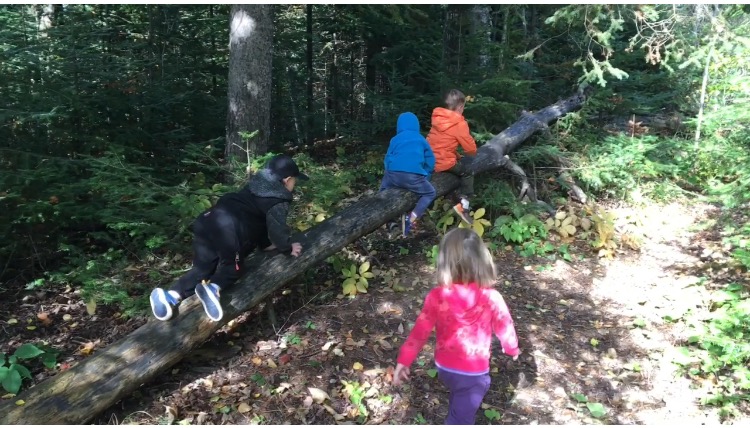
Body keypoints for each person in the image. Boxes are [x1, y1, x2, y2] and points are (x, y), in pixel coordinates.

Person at [149, 154, 307, 322]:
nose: (294, 184)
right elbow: (277, 228)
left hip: (207, 220)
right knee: (234, 268)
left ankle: (170, 296)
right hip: (228, 229)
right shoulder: (278, 199)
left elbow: (260, 221)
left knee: (202, 268)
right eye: (294, 181)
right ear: (287, 180)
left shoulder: (256, 185)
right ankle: (213, 289)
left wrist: (266, 244)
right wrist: (287, 248)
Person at [392, 227, 520, 425]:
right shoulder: (492, 297)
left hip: (445, 368)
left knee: (458, 399)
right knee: (460, 420)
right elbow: (505, 325)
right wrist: (511, 348)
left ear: (444, 263)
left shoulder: (437, 296)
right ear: (482, 261)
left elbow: (420, 332)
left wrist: (404, 361)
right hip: (473, 374)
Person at [380, 111, 436, 237]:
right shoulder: (421, 139)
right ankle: (411, 218)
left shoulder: (395, 139)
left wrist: (389, 172)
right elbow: (430, 160)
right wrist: (427, 175)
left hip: (393, 174)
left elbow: (388, 158)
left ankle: (390, 222)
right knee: (430, 193)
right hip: (413, 176)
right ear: (416, 125)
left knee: (382, 192)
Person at [426, 89, 478, 226]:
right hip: (444, 163)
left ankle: (431, 207)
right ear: (460, 107)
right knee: (467, 172)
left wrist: (456, 155)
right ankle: (464, 206)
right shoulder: (459, 123)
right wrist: (472, 154)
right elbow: (469, 147)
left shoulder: (438, 119)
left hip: (429, 160)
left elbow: (439, 144)